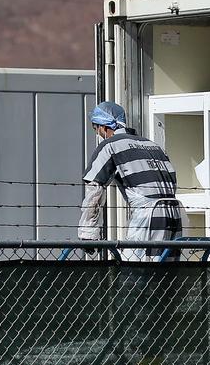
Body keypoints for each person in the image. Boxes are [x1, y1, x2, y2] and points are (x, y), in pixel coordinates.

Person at [78, 101, 184, 261]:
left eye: (96, 128)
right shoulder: (153, 146)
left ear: (104, 126)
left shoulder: (110, 145)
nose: (98, 134)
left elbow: (95, 188)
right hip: (175, 214)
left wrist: (88, 233)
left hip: (147, 215)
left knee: (135, 274)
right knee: (166, 277)